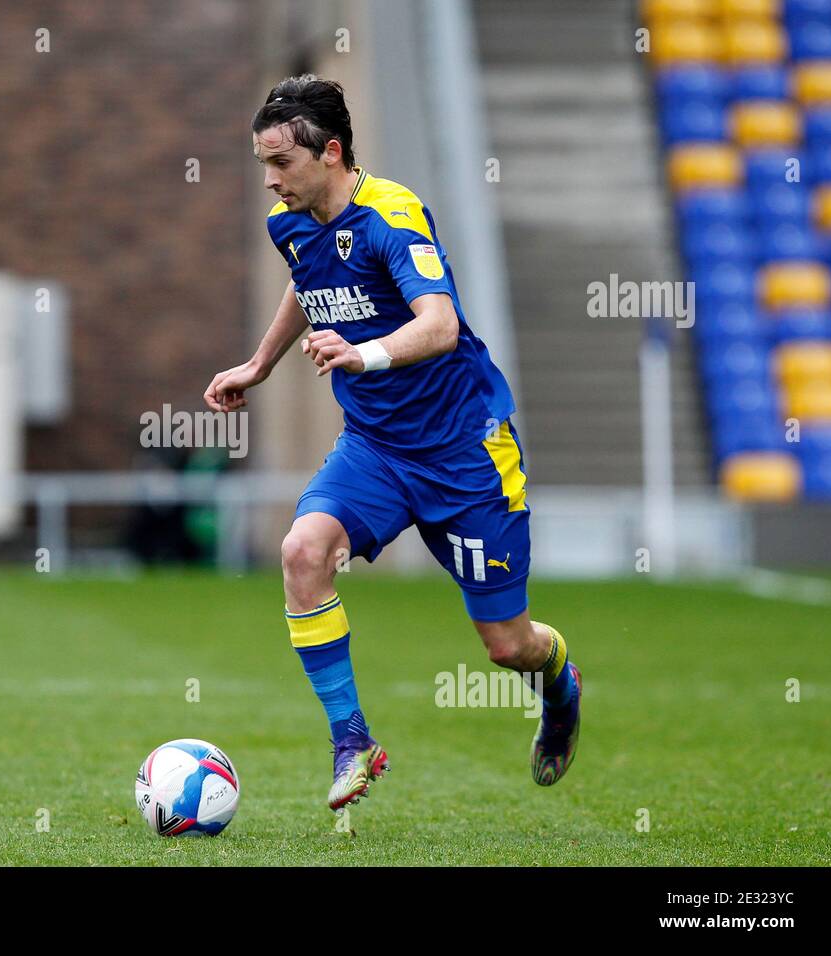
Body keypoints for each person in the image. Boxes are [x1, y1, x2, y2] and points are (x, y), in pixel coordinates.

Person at [203, 75, 581, 812]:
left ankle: (560, 687)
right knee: (302, 552)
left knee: (508, 647)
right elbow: (307, 278)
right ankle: (352, 742)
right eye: (264, 165)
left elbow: (438, 324)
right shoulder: (291, 222)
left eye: (281, 163)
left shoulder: (392, 214)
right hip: (375, 448)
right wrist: (260, 363)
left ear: (331, 151)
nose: (271, 180)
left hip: (465, 454)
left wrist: (364, 354)